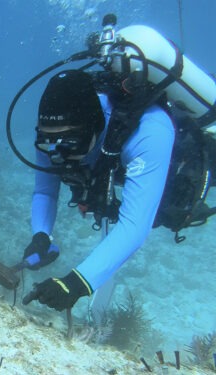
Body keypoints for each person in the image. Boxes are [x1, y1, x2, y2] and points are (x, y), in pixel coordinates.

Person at [21, 69, 175, 311]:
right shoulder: (52, 137)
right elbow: (45, 191)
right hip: (106, 161)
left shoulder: (149, 132)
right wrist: (41, 235)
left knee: (174, 208)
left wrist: (77, 282)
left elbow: (135, 226)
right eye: (48, 142)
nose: (58, 156)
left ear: (95, 127)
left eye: (69, 144)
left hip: (172, 163)